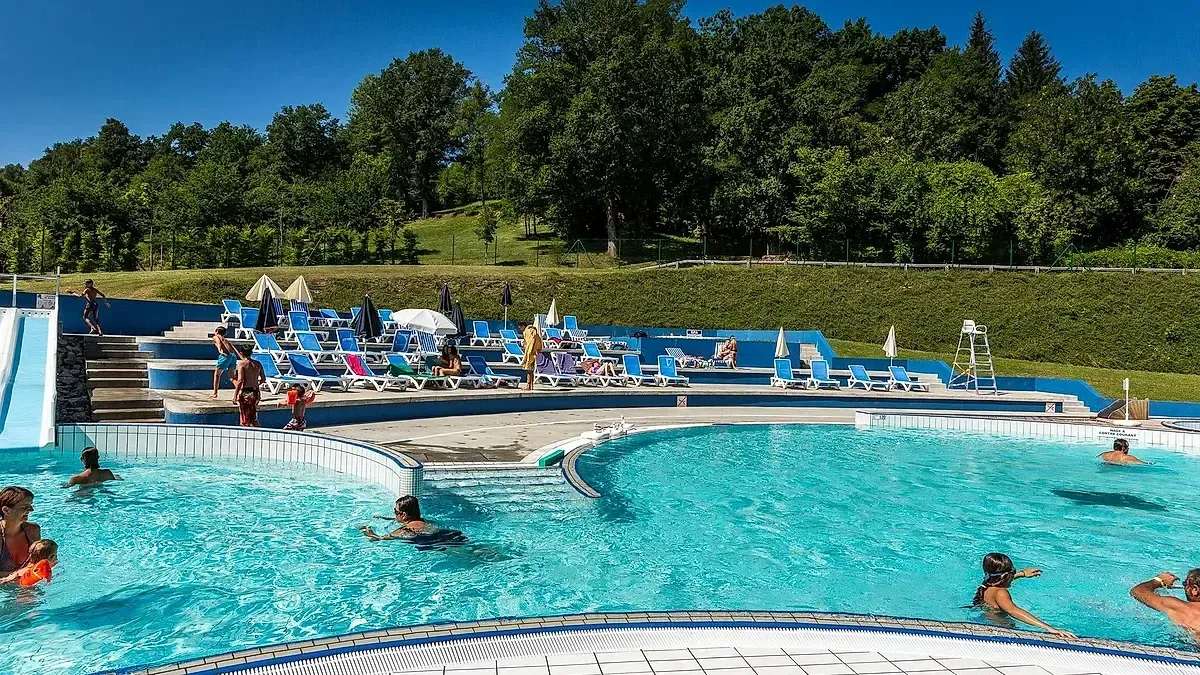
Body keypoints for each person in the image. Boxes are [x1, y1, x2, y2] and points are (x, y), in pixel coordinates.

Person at [971, 552, 1075, 638]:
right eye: (1013, 571)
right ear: (1006, 576)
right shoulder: (1000, 592)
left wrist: (1021, 574)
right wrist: (1049, 628)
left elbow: (999, 579)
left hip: (987, 622)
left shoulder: (985, 587)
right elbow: (1013, 610)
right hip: (1002, 630)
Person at [358, 495, 468, 549]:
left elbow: (377, 539)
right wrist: (386, 518)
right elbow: (409, 521)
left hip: (440, 545)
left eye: (395, 512)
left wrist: (365, 529)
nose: (394, 514)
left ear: (404, 515)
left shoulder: (405, 530)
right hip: (450, 535)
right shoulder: (424, 521)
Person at [1131, 570, 1200, 638]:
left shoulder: (1181, 608)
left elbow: (1137, 591)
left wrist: (1158, 581)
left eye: (1185, 584)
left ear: (1195, 589)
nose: (1184, 587)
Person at [0, 486, 41, 575]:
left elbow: (39, 561)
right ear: (6, 510)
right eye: (25, 506)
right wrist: (20, 573)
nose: (31, 509)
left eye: (30, 505)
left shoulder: (33, 530)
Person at [233, 345, 265, 427]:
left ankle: (245, 435)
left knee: (244, 418)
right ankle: (261, 434)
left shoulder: (242, 364)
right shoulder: (258, 364)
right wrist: (255, 383)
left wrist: (235, 395)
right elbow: (263, 379)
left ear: (241, 353)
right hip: (255, 392)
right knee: (253, 417)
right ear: (251, 353)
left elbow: (240, 381)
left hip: (246, 393)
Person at [211, 326, 240, 399]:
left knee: (217, 375)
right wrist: (241, 357)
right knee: (232, 378)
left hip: (225, 356)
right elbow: (234, 348)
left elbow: (218, 341)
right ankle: (241, 390)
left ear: (217, 332)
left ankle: (215, 393)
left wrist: (220, 350)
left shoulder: (216, 336)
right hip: (233, 356)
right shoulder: (226, 340)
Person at [521, 321, 543, 391]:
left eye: (520, 328)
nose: (520, 329)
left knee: (528, 370)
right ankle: (531, 385)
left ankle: (528, 385)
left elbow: (530, 342)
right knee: (531, 370)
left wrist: (528, 352)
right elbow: (538, 341)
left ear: (523, 326)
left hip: (530, 352)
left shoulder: (527, 331)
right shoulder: (534, 331)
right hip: (534, 352)